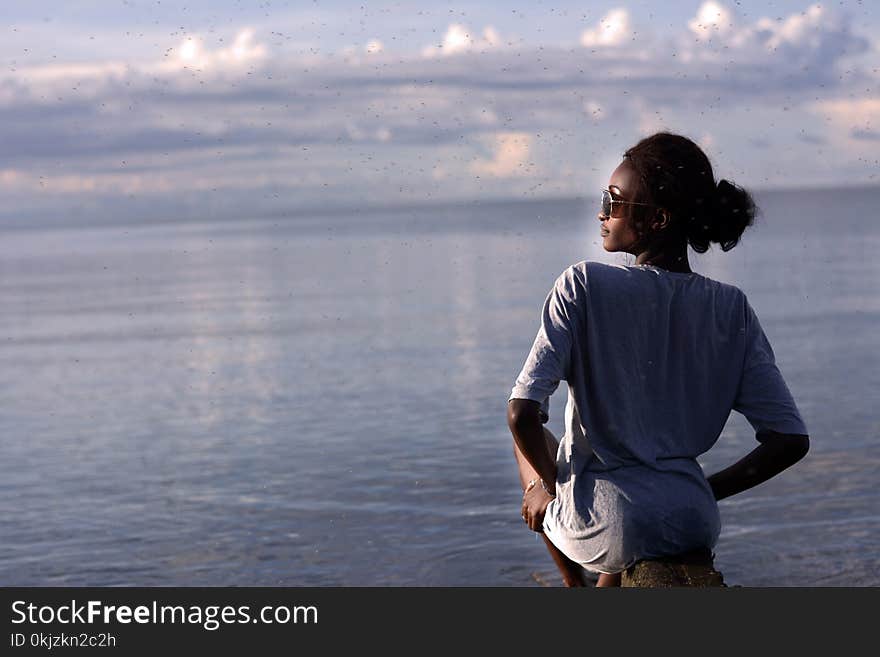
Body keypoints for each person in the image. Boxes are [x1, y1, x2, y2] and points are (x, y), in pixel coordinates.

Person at [506, 132, 810, 587]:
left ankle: (574, 586)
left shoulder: (583, 285)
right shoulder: (730, 306)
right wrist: (706, 490)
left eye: (613, 201)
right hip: (693, 517)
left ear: (658, 219)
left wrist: (546, 490)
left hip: (606, 525)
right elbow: (790, 439)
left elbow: (521, 415)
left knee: (532, 449)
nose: (601, 213)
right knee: (623, 510)